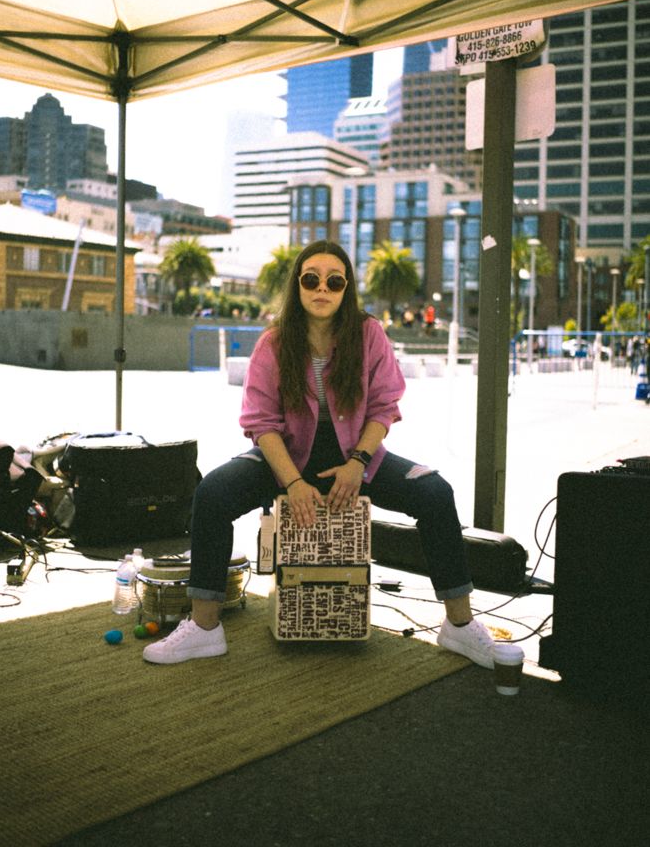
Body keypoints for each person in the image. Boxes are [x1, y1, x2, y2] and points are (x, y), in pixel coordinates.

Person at [143, 240, 494, 669]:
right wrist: (292, 482)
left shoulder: (369, 334)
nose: (322, 288)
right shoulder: (274, 342)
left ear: (347, 288)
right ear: (298, 285)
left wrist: (358, 464)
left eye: (334, 281)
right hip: (286, 456)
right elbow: (261, 423)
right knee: (213, 494)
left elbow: (384, 407)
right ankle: (204, 627)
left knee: (435, 493)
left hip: (356, 456)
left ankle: (459, 625)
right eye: (311, 279)